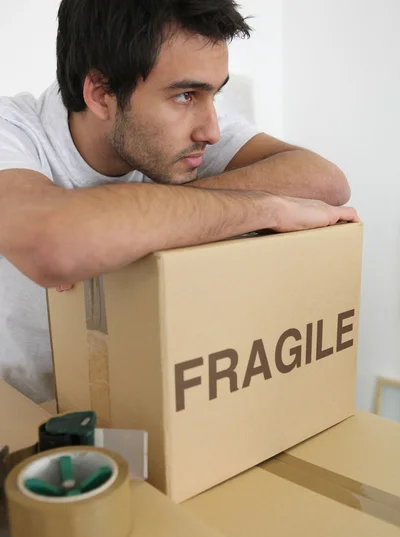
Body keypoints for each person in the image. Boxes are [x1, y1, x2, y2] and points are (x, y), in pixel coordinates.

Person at [0, 0, 359, 404]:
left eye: (214, 95)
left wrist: (122, 223)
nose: (211, 130)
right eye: (186, 96)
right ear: (101, 94)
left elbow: (326, 182)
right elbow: (55, 243)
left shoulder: (185, 138)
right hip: (25, 421)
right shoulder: (12, 132)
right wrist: (266, 207)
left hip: (151, 408)